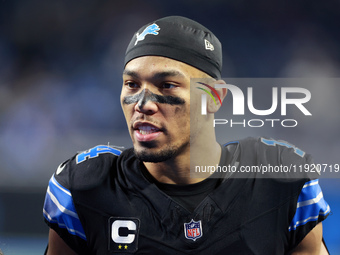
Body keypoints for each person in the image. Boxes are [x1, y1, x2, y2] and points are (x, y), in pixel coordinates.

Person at [43, 16, 330, 254]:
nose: (142, 104)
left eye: (166, 85)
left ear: (214, 98)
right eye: (131, 84)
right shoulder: (85, 187)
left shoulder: (281, 181)